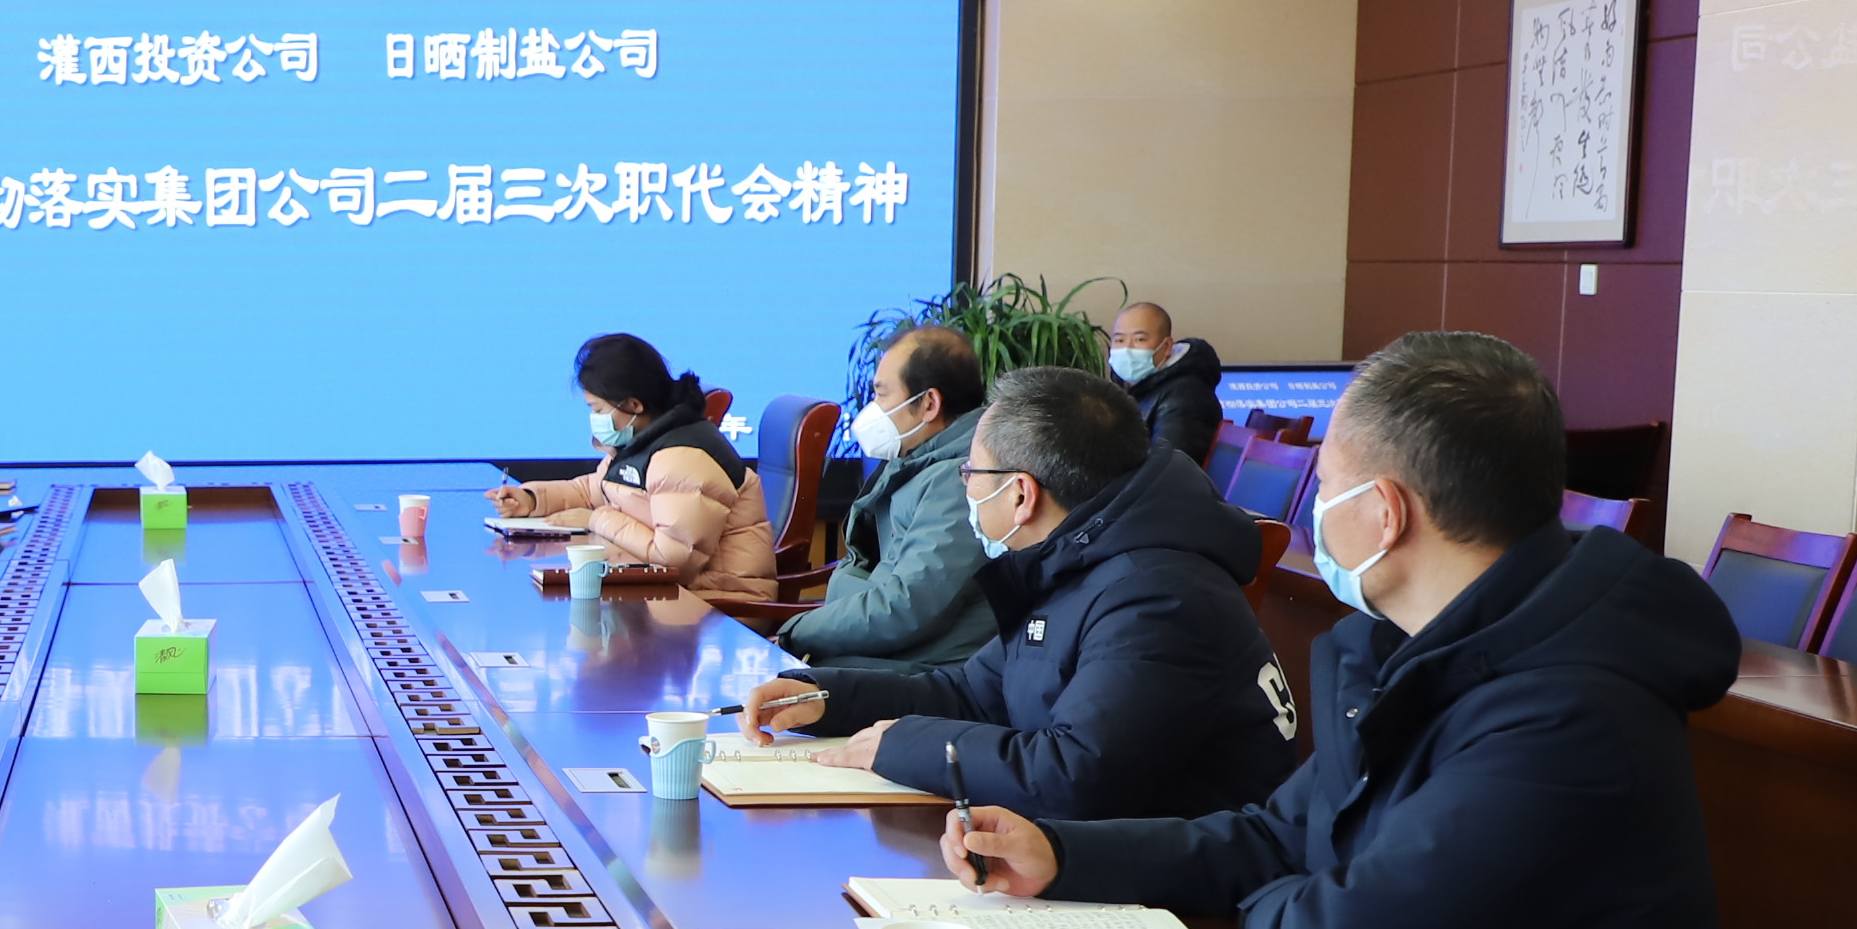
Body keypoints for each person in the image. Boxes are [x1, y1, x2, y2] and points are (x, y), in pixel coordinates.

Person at [942, 331, 1740, 929]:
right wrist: (1063, 854)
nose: (1314, 515)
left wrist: (1278, 891)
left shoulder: (1569, 713)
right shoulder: (1417, 649)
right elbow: (1276, 836)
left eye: (1324, 487)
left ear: (1385, 512)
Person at [739, 366, 1295, 820]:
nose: (964, 485)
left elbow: (1076, 774)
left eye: (970, 472)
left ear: (1021, 494)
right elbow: (973, 695)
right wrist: (824, 697)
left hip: (1176, 889)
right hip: (1093, 851)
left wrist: (901, 745)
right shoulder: (1073, 554)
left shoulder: (1158, 595)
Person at [485, 332, 774, 585]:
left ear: (634, 405)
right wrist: (531, 499)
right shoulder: (645, 438)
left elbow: (673, 562)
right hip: (666, 597)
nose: (594, 418)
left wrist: (597, 519)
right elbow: (594, 490)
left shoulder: (683, 457)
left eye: (598, 410)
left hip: (717, 607)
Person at [789, 325, 996, 669]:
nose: (872, 409)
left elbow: (903, 606)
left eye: (881, 394)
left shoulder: (958, 482)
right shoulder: (919, 460)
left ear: (929, 404)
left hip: (926, 670)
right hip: (893, 654)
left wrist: (796, 630)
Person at [1109, 301, 1225, 467]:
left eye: (1140, 339)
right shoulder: (1126, 389)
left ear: (1167, 346)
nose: (1127, 348)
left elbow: (1169, 469)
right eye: (1119, 340)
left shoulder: (1187, 395)